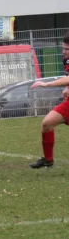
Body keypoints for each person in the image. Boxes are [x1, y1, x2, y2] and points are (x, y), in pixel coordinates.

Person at [29, 31, 69, 168]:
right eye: (63, 48)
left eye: (67, 49)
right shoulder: (67, 59)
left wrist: (46, 84)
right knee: (47, 124)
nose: (63, 51)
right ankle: (48, 159)